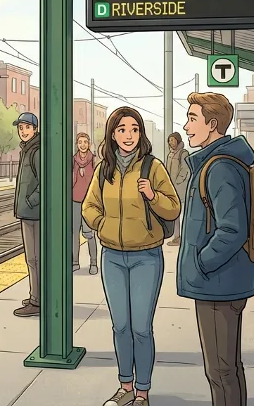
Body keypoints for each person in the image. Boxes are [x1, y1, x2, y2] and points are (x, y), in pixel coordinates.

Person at [82, 107, 180, 406]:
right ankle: (125, 386)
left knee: (141, 327)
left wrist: (152, 195)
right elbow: (89, 207)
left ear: (141, 134)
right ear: (113, 134)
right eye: (122, 129)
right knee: (120, 326)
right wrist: (103, 225)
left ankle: (142, 392)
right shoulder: (103, 170)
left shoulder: (153, 167)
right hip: (112, 256)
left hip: (146, 257)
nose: (129, 135)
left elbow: (173, 208)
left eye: (135, 129)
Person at [179, 92, 254, 406]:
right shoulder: (218, 162)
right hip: (223, 282)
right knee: (228, 366)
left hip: (218, 286)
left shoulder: (219, 168)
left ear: (212, 124)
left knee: (220, 370)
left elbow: (233, 229)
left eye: (192, 118)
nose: (186, 126)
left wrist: (201, 264)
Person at [13, 111, 42, 317]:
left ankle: (37, 300)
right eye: (21, 128)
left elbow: (44, 182)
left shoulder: (35, 151)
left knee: (34, 259)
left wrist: (30, 201)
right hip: (28, 212)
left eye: (27, 128)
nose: (23, 131)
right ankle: (36, 294)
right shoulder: (27, 150)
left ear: (35, 129)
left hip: (34, 214)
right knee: (33, 259)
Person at [72, 132, 98, 274]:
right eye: (80, 142)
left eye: (85, 142)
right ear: (77, 144)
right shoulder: (72, 160)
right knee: (74, 233)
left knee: (89, 233)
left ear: (89, 144)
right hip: (75, 201)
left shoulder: (94, 160)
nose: (82, 145)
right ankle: (75, 262)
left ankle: (93, 263)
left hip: (89, 203)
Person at [165, 132, 190, 247]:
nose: (171, 142)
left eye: (173, 140)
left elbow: (185, 170)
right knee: (175, 213)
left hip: (180, 189)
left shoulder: (183, 154)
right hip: (171, 188)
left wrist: (176, 182)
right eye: (170, 140)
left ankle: (182, 237)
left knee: (183, 212)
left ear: (178, 140)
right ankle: (177, 237)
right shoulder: (170, 154)